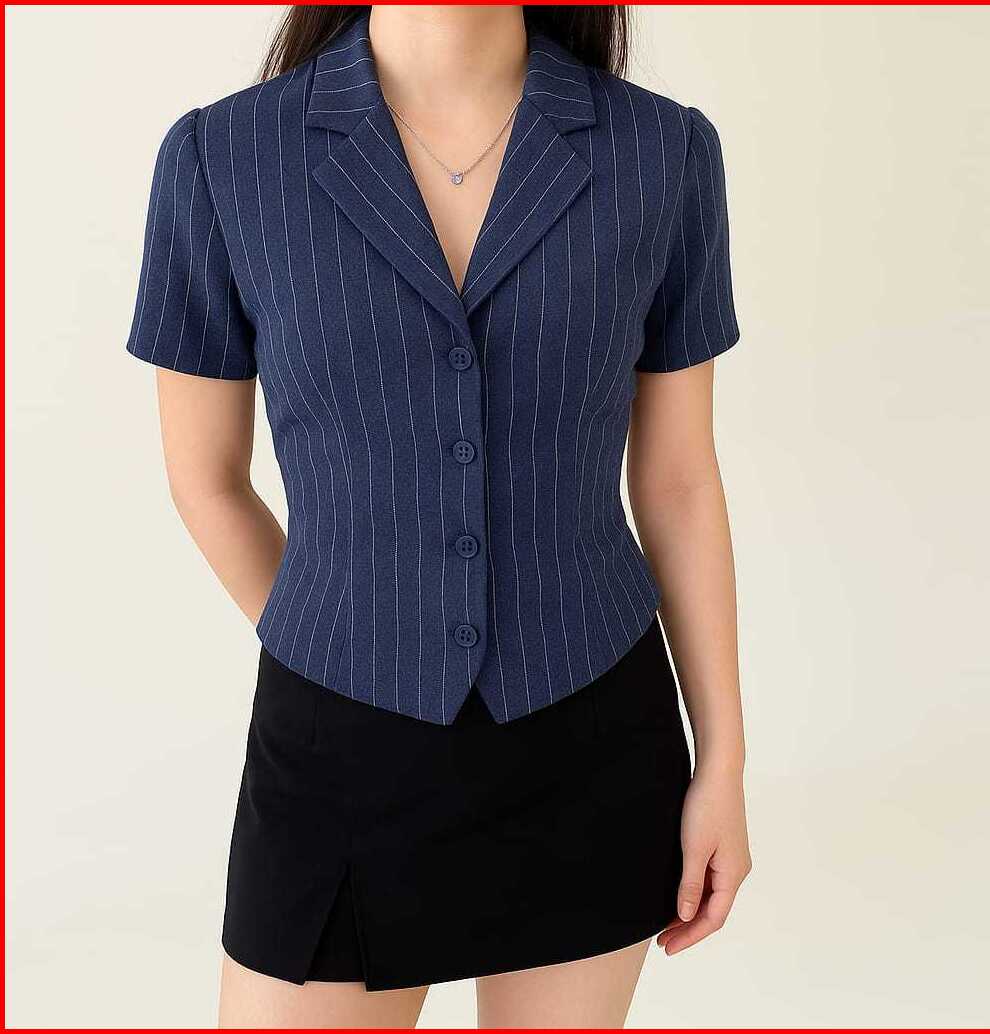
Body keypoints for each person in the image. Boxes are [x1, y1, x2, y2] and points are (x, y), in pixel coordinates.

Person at [126, 4, 750, 1027]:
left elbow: (679, 480)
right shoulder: (222, 157)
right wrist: (341, 635)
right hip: (335, 748)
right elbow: (206, 478)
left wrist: (722, 756)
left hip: (590, 736)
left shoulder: (660, 152)